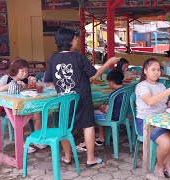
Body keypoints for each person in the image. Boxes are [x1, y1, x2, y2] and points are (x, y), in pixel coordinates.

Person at [44, 28, 120, 168]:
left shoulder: (53, 58)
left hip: (64, 99)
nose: (77, 40)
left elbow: (47, 80)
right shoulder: (78, 57)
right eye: (75, 38)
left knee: (64, 128)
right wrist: (109, 62)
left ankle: (67, 157)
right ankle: (90, 158)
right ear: (69, 41)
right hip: (82, 98)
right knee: (88, 126)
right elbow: (94, 75)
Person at [135, 58, 170, 178]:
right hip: (147, 124)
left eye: (158, 70)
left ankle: (166, 163)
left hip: (164, 121)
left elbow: (162, 104)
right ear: (145, 71)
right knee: (166, 142)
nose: (156, 72)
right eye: (153, 69)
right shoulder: (141, 86)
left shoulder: (160, 85)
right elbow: (150, 101)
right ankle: (158, 167)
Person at [0, 58, 46, 153]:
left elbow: (32, 90)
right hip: (8, 109)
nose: (25, 73)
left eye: (27, 71)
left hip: (25, 107)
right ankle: (22, 143)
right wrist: (11, 84)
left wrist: (33, 82)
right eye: (22, 71)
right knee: (20, 118)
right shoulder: (6, 78)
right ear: (15, 70)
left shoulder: (25, 79)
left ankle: (37, 139)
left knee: (37, 114)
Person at [77, 70, 125, 150]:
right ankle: (101, 136)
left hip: (113, 117)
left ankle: (87, 142)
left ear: (112, 83)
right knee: (98, 111)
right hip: (122, 115)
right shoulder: (125, 90)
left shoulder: (114, 94)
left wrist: (101, 107)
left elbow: (106, 110)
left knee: (88, 115)